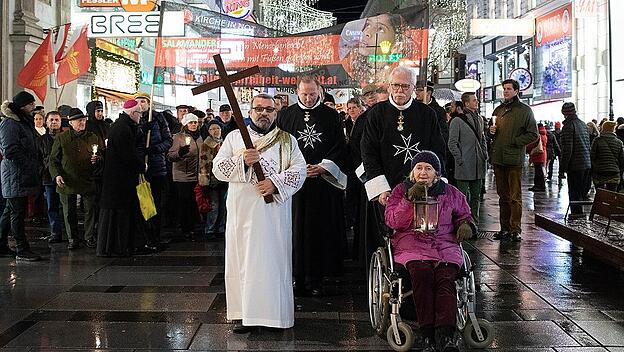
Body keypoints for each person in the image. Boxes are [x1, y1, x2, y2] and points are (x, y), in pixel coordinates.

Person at [213, 93, 306, 333]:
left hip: (273, 212)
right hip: (242, 214)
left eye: (269, 109)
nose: (264, 113)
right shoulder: (234, 138)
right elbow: (217, 169)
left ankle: (274, 315)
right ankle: (245, 315)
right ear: (250, 111)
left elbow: (300, 170)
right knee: (243, 262)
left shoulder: (287, 140)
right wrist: (242, 160)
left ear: (276, 113)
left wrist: (276, 183)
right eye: (259, 109)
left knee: (273, 261)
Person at [385, 151, 474, 352]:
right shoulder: (401, 190)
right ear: (412, 172)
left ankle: (445, 335)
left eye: (428, 168)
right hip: (412, 245)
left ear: (437, 173)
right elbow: (393, 221)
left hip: (445, 245)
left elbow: (464, 214)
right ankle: (426, 334)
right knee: (422, 275)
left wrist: (465, 224)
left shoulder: (450, 192)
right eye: (419, 168)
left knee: (445, 280)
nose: (423, 173)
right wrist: (408, 200)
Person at [360, 66, 446, 262]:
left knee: (421, 238)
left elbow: (438, 150)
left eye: (405, 86)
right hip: (386, 188)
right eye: (396, 86)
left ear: (414, 88)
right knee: (385, 237)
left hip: (420, 187)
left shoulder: (427, 114)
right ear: (389, 86)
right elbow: (368, 153)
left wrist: (436, 183)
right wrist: (380, 188)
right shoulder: (376, 114)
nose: (400, 91)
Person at [277, 76, 349, 296]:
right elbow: (279, 147)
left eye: (312, 94)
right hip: (294, 184)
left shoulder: (332, 116)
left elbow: (339, 146)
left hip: (322, 183)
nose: (308, 99)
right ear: (297, 92)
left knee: (318, 230)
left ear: (320, 91)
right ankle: (295, 277)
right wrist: (294, 170)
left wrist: (322, 167)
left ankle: (316, 279)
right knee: (294, 230)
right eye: (304, 94)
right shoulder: (286, 116)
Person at [488, 79, 538, 242]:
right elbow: (490, 131)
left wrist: (516, 142)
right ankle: (505, 228)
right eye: (504, 89)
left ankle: (515, 228)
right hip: (499, 158)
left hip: (513, 158)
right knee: (503, 196)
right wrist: (491, 131)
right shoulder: (499, 109)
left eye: (509, 89)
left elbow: (533, 134)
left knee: (514, 196)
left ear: (516, 91)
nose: (506, 91)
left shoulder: (524, 111)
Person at [49, 108, 104, 249]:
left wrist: (97, 158)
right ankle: (73, 238)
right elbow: (53, 160)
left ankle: (89, 237)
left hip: (87, 179)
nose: (82, 122)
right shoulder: (62, 138)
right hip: (68, 180)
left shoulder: (92, 137)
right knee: (69, 211)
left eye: (84, 120)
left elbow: (103, 155)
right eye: (79, 120)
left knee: (90, 210)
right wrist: (57, 175)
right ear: (71, 123)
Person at [97, 100, 146, 257]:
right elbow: (128, 155)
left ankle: (122, 245)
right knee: (118, 216)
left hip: (118, 180)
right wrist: (141, 166)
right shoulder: (122, 129)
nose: (141, 116)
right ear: (132, 113)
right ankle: (117, 247)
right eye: (140, 113)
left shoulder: (123, 126)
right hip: (118, 182)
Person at [0, 91, 42, 260]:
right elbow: (10, 150)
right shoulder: (10, 123)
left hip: (21, 174)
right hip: (15, 175)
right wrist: (29, 163)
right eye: (31, 104)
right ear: (23, 106)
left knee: (10, 211)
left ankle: (1, 244)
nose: (33, 107)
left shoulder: (23, 122)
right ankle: (22, 249)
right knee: (17, 213)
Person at [135, 92, 173, 247]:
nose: (141, 104)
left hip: (157, 168)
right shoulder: (134, 118)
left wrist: (155, 149)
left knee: (156, 202)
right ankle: (143, 235)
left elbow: (168, 140)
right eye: (138, 101)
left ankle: (155, 235)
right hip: (140, 168)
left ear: (149, 103)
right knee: (142, 202)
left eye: (143, 101)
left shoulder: (158, 118)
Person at [447, 92, 487, 224]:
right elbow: (452, 143)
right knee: (462, 196)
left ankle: (474, 222)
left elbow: (482, 139)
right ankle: (461, 222)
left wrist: (484, 155)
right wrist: (459, 159)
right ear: (466, 103)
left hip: (478, 164)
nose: (477, 102)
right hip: (464, 165)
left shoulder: (480, 119)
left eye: (476, 100)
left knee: (476, 196)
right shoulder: (457, 120)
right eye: (474, 100)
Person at [167, 113, 203, 238]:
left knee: (193, 202)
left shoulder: (199, 137)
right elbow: (170, 156)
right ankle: (184, 228)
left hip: (196, 175)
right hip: (183, 175)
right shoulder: (178, 137)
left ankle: (192, 226)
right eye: (191, 123)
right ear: (185, 124)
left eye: (195, 122)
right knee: (184, 202)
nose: (193, 125)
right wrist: (180, 153)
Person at [37, 111, 64, 243]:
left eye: (56, 120)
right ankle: (55, 232)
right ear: (47, 122)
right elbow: (38, 157)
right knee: (51, 206)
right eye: (51, 120)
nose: (54, 122)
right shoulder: (42, 140)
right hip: (48, 177)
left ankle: (69, 233)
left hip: (64, 176)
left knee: (65, 206)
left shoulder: (65, 138)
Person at [560, 102, 591, 214]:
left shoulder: (568, 126)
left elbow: (568, 149)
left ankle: (576, 219)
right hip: (586, 163)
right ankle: (579, 216)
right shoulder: (583, 124)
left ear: (564, 113)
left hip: (575, 165)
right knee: (580, 193)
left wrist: (563, 167)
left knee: (574, 194)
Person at [200, 120, 226, 238]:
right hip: (213, 180)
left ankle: (220, 228)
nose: (216, 131)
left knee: (223, 206)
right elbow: (204, 163)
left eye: (217, 128)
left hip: (224, 179)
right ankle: (210, 229)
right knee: (214, 206)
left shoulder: (224, 142)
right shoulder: (207, 144)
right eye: (212, 129)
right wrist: (204, 181)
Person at [590, 120, 624, 191]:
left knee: (600, 195)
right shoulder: (619, 142)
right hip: (614, 173)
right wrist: (619, 170)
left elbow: (592, 156)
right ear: (613, 129)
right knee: (611, 196)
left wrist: (594, 167)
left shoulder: (597, 141)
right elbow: (622, 159)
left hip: (599, 172)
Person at [526, 123, 548, 192]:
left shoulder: (538, 135)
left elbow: (533, 144)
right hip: (542, 154)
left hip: (538, 155)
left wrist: (527, 148)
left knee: (538, 172)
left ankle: (538, 186)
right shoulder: (544, 135)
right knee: (540, 171)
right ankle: (541, 186)